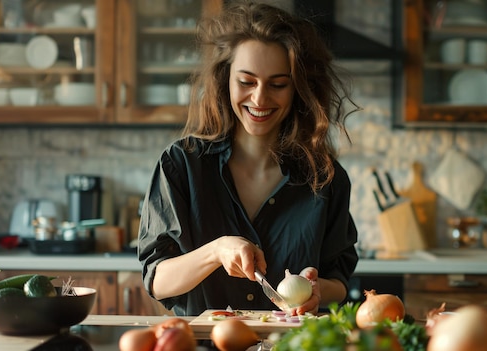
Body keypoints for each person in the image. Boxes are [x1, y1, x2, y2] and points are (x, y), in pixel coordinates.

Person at [138, 0, 359, 317]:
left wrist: (318, 290)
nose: (259, 98)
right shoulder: (181, 164)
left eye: (278, 84)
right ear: (225, 79)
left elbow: (338, 278)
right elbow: (157, 279)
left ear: (298, 88)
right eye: (246, 81)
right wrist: (217, 250)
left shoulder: (325, 176)